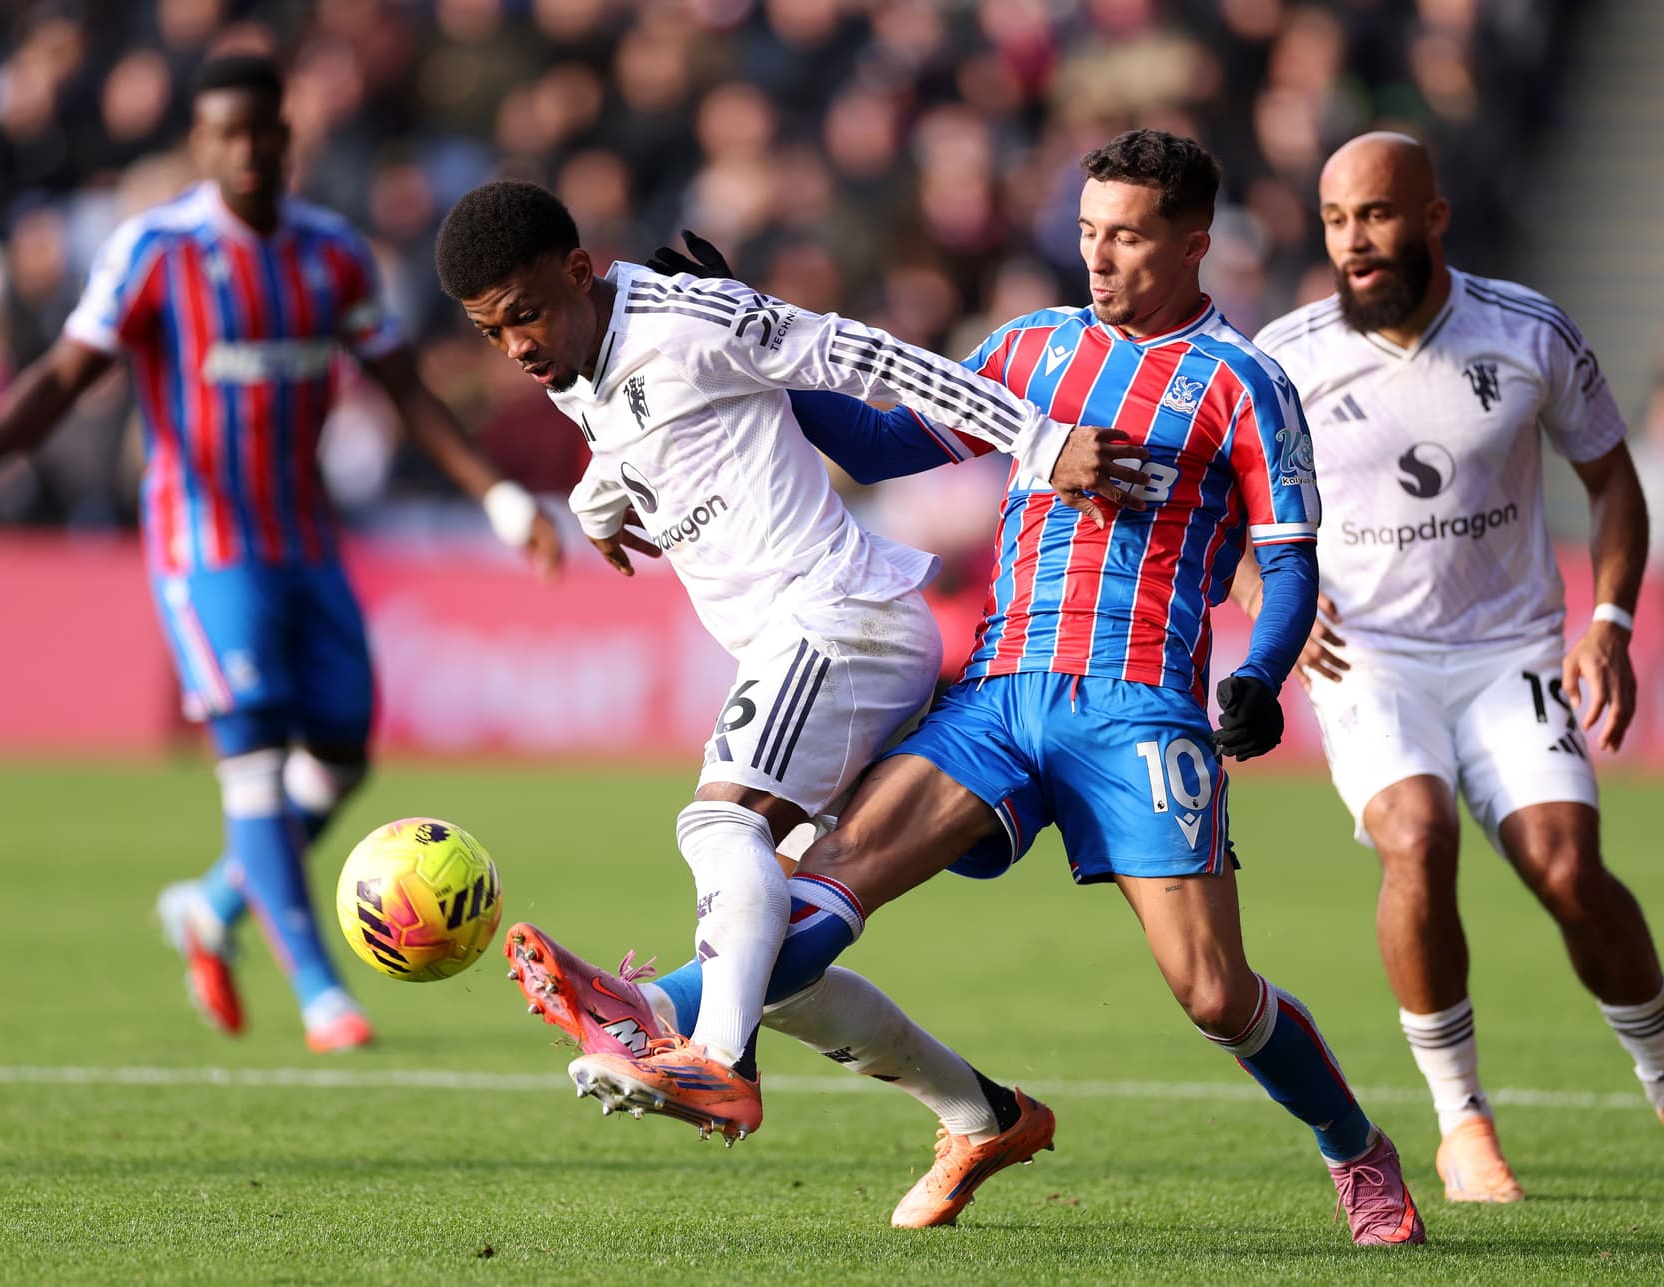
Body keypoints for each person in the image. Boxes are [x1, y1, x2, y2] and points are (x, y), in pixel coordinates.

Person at [522, 130, 1427, 1247]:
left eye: (1129, 237)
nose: (1099, 258)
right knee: (824, 892)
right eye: (1089, 232)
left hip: (1137, 703)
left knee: (1212, 993)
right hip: (998, 691)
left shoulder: (1245, 384)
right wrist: (755, 348)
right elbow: (888, 441)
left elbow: (1288, 560)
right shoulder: (1034, 347)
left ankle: (1355, 1149)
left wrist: (1258, 672)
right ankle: (658, 1013)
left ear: (1195, 244)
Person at [432, 178, 1142, 1222]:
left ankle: (713, 1058)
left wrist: (1036, 442)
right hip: (798, 642)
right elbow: (630, 430)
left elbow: (870, 356)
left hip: (841, 619)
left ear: (579, 272)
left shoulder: (690, 319)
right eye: (492, 334)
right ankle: (982, 1113)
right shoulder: (570, 357)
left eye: (527, 315)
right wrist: (599, 500)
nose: (518, 349)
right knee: (780, 965)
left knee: (717, 821)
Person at [0, 54, 564, 1053]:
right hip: (206, 547)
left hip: (307, 538)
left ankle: (211, 905)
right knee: (251, 757)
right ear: (202, 145)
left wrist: (502, 497)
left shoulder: (331, 255)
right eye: (228, 135)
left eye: (265, 133)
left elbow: (407, 391)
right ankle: (318, 989)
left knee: (341, 755)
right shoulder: (154, 251)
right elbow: (69, 372)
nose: (249, 150)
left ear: (287, 140)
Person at [1236, 131, 1664, 1200]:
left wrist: (1611, 618)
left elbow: (1613, 482)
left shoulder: (1528, 332)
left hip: (1510, 648)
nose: (1356, 240)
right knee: (1416, 838)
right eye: (1339, 219)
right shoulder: (1281, 359)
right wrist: (1270, 600)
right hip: (1370, 658)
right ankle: (1461, 1119)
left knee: (1568, 868)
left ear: (1433, 217)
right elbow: (1223, 510)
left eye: (1379, 214)